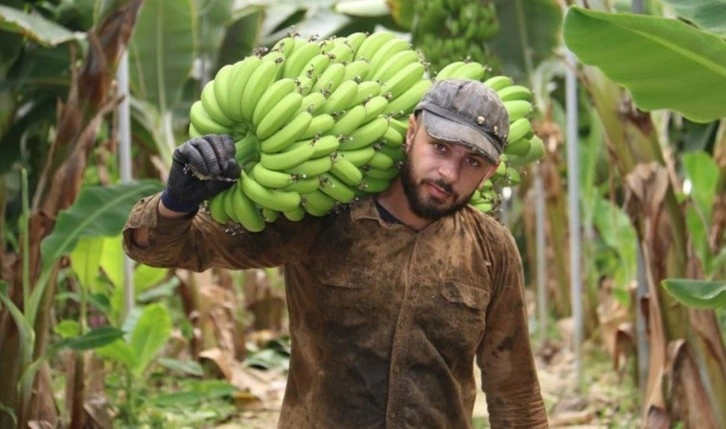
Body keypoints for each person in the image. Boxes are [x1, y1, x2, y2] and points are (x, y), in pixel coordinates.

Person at [123, 79, 548, 428]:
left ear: (490, 171)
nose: (449, 173)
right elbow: (175, 248)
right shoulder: (321, 214)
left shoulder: (491, 249)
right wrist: (176, 202)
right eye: (440, 148)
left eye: (472, 162)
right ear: (412, 132)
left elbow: (514, 389)